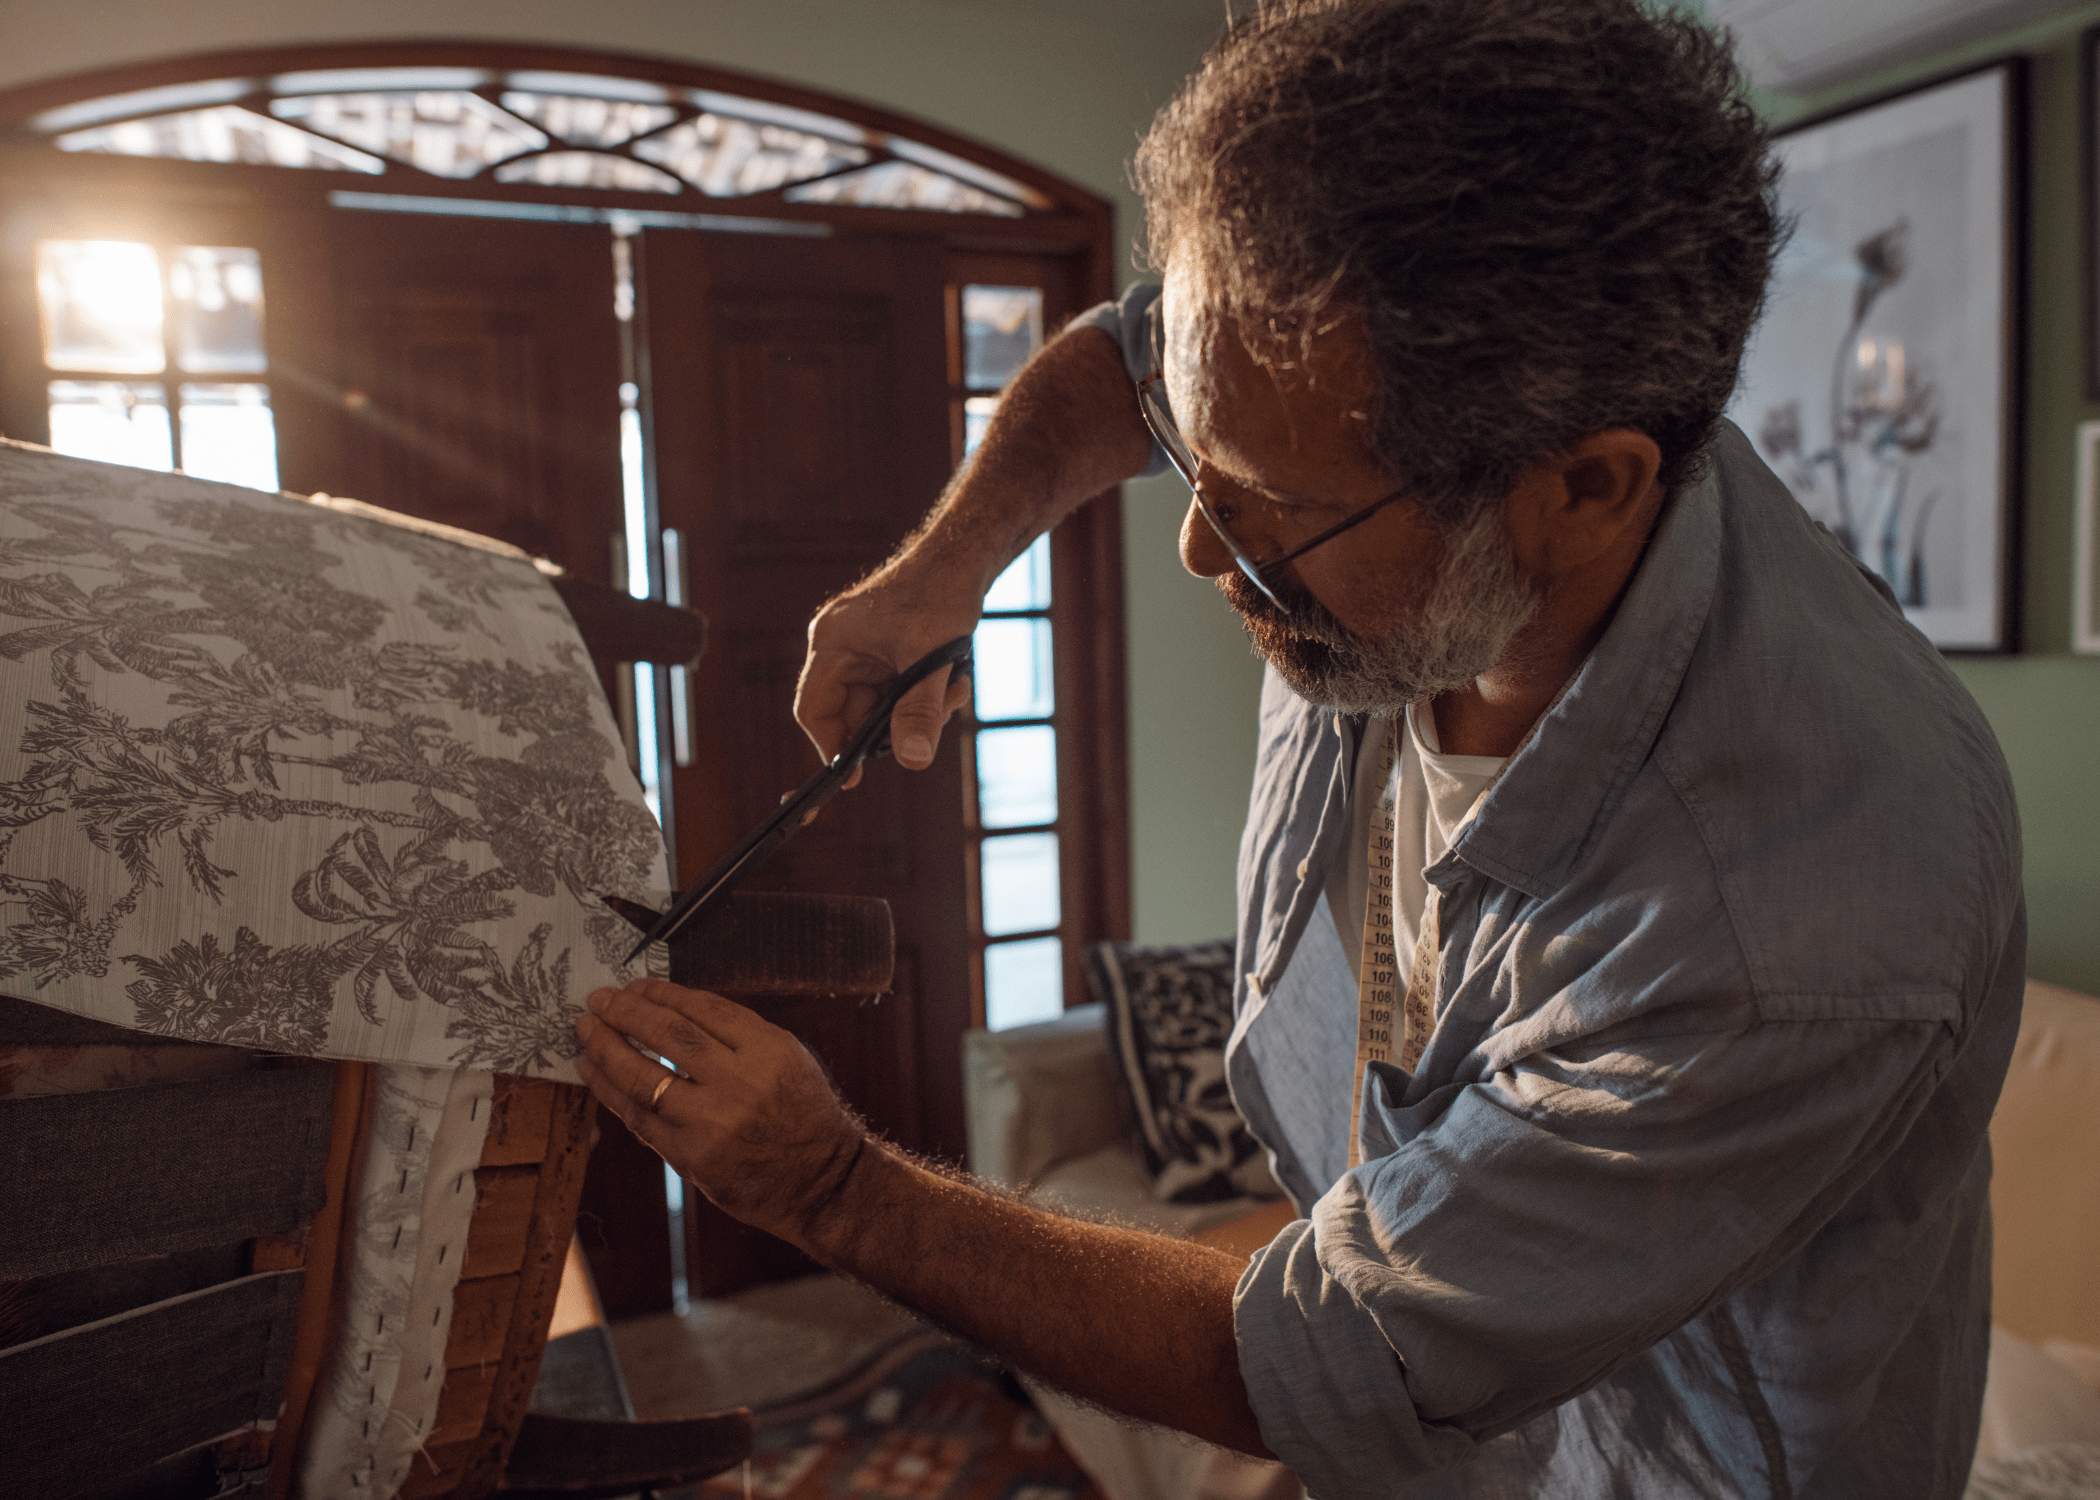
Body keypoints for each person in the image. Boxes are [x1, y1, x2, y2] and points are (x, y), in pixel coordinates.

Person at [572, 1, 2026, 1494]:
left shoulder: (1802, 917)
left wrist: (831, 1186)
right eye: (1200, 464)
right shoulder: (1396, 432)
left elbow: (1337, 1356)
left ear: (1581, 491)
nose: (1203, 545)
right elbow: (1125, 362)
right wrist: (944, 571)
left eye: (1272, 509)